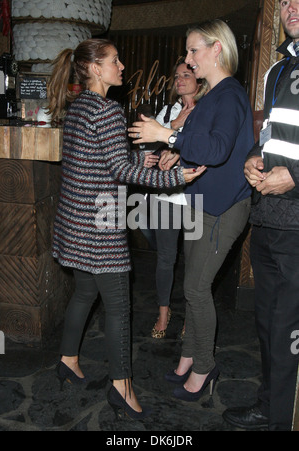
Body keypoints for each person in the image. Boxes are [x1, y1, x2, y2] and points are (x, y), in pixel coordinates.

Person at [47, 38, 205, 420]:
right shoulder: (108, 110)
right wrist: (174, 178)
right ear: (96, 69)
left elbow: (97, 157)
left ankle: (67, 359)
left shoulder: (80, 106)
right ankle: (122, 387)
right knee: (119, 306)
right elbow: (118, 170)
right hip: (100, 227)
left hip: (75, 222)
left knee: (84, 293)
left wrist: (139, 156)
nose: (121, 67)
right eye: (115, 61)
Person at [128, 19, 254, 401]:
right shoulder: (213, 95)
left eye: (193, 50)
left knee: (197, 289)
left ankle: (204, 368)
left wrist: (166, 135)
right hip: (202, 205)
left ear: (217, 49)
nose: (187, 58)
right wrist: (174, 154)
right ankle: (187, 358)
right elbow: (198, 144)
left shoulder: (229, 94)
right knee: (191, 285)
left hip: (223, 208)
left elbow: (216, 150)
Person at [223, 0, 299, 431]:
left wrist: (296, 177)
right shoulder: (277, 70)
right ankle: (270, 406)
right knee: (269, 328)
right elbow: (271, 134)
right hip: (270, 219)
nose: (290, 6)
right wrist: (254, 157)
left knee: (290, 336)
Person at [144, 58, 202, 339]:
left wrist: (179, 147)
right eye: (176, 75)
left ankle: (191, 318)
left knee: (194, 262)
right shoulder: (169, 111)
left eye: (186, 74)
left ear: (199, 78)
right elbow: (146, 145)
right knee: (165, 259)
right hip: (165, 195)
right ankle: (164, 313)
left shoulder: (207, 109)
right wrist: (174, 124)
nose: (180, 79)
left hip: (195, 197)